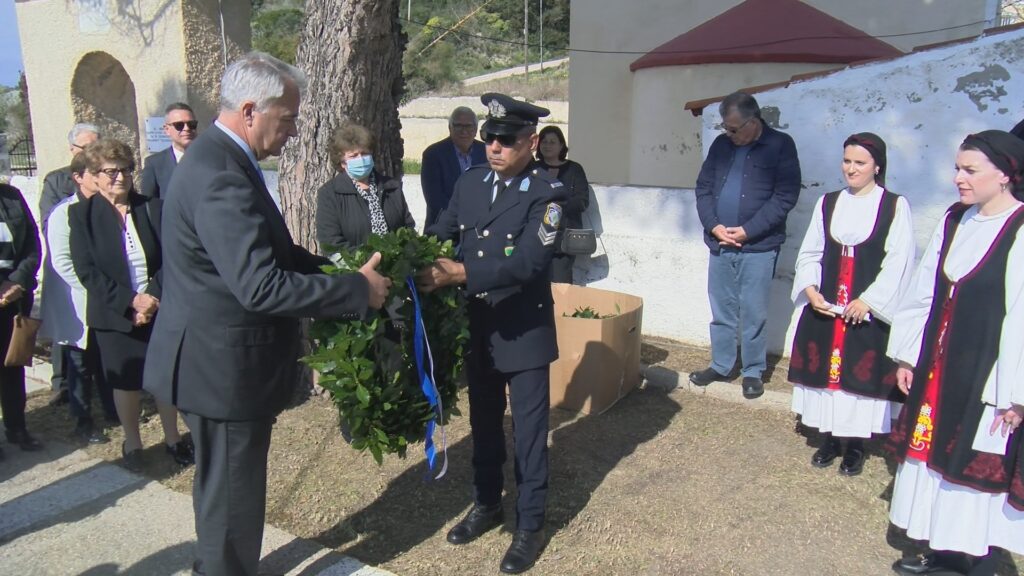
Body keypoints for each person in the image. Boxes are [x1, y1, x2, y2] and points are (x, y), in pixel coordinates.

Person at [142, 52, 390, 576]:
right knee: (232, 507)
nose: (295, 130)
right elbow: (260, 284)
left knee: (224, 499)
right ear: (251, 110)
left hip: (213, 361)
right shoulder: (218, 174)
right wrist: (353, 293)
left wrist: (339, 273)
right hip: (223, 370)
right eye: (290, 117)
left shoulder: (221, 159)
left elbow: (272, 252)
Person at [419, 93, 566, 575]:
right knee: (483, 424)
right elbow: (442, 228)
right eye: (489, 138)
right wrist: (409, 256)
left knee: (527, 433)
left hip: (522, 331)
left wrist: (460, 272)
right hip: (478, 328)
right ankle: (486, 503)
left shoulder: (546, 195)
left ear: (530, 142)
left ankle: (529, 524)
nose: (495, 147)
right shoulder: (471, 183)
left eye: (506, 140)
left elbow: (528, 263)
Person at [885, 130, 1024, 576]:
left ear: (1004, 174)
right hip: (938, 367)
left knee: (972, 464)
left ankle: (979, 561)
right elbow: (924, 290)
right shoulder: (955, 219)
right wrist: (907, 354)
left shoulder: (1021, 229)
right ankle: (943, 552)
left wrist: (1014, 393)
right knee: (933, 456)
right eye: (956, 168)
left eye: (970, 170)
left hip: (987, 375)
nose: (957, 178)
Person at [787, 133, 915, 476]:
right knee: (826, 377)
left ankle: (855, 445)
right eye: (847, 161)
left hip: (865, 312)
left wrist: (869, 300)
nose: (851, 169)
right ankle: (828, 439)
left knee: (859, 380)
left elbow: (900, 260)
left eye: (860, 163)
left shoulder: (894, 205)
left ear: (877, 166)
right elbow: (811, 251)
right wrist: (811, 289)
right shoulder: (828, 202)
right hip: (827, 307)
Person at [69, 138, 192, 472]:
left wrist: (151, 297)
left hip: (158, 307)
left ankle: (173, 438)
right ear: (94, 175)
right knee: (126, 383)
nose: (119, 178)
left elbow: (173, 257)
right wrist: (130, 302)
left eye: (124, 170)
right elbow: (87, 271)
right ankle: (133, 442)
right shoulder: (81, 215)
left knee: (164, 377)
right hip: (114, 314)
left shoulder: (151, 207)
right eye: (110, 172)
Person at [690, 91, 801, 399]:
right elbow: (703, 188)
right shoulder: (721, 146)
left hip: (759, 246)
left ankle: (752, 370)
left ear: (753, 122)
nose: (729, 133)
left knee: (753, 310)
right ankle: (722, 364)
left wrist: (748, 231)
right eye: (726, 127)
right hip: (719, 242)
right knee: (722, 308)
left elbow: (785, 196)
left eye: (734, 128)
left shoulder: (780, 146)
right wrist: (714, 225)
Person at [41, 151, 117, 444]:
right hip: (78, 300)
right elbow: (62, 262)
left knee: (105, 359)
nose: (105, 178)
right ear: (79, 177)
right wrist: (96, 290)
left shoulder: (108, 207)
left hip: (104, 296)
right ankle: (82, 419)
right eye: (95, 172)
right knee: (80, 362)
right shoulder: (63, 213)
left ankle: (114, 411)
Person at [39, 122, 100, 407]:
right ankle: (61, 384)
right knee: (67, 331)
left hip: (98, 268)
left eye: (96, 146)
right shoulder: (56, 181)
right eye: (86, 147)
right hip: (66, 267)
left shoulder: (106, 176)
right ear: (72, 150)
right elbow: (48, 220)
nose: (92, 152)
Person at [315, 123, 415, 252]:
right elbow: (330, 242)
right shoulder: (330, 193)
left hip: (395, 268)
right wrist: (367, 262)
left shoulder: (391, 187)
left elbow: (408, 229)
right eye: (353, 156)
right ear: (342, 162)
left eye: (364, 153)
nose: (360, 159)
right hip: (354, 269)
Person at [0, 179, 42, 458]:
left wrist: (17, 281)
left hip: (13, 298)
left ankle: (17, 427)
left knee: (13, 365)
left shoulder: (11, 197)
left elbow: (32, 243)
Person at [535, 125, 590, 283]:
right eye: (544, 141)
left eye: (552, 142)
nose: (547, 145)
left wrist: (556, 205)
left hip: (563, 240)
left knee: (561, 287)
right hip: (535, 237)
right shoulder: (533, 168)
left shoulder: (574, 169)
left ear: (561, 145)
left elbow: (582, 201)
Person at [421, 106, 486, 228]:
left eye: (468, 126)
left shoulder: (486, 152)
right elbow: (435, 200)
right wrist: (465, 221)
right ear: (450, 128)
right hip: (443, 228)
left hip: (479, 229)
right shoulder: (433, 155)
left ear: (476, 129)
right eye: (458, 126)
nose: (464, 131)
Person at [141, 102, 198, 199]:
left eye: (191, 124)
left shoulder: (210, 159)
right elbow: (150, 204)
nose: (186, 128)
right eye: (179, 125)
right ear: (167, 129)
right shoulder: (154, 164)